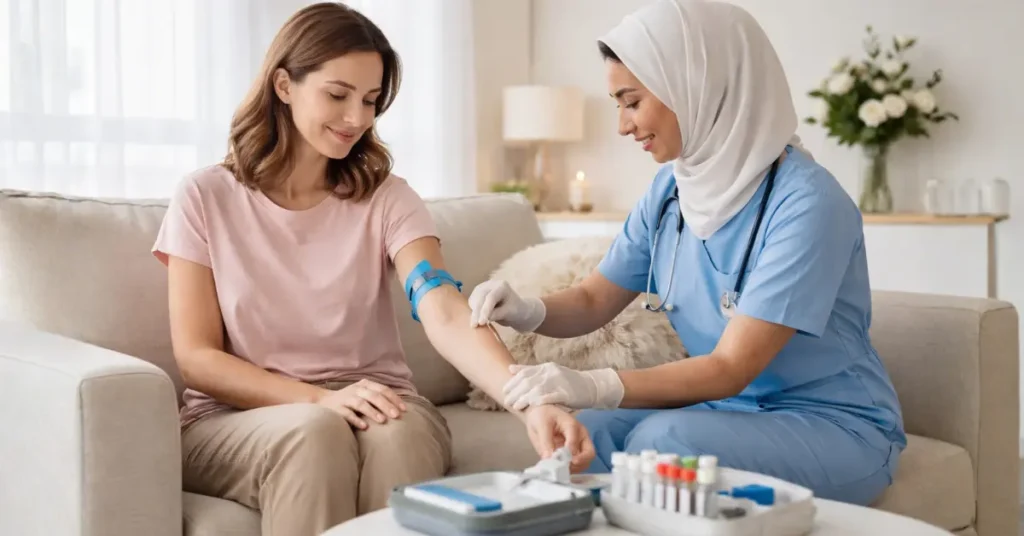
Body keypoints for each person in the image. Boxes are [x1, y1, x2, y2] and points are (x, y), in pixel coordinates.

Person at [152, 3, 593, 535]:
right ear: (285, 85)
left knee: (399, 434)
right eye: (338, 95)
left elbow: (445, 313)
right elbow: (197, 359)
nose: (357, 118)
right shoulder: (205, 197)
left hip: (381, 399)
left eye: (370, 100)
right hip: (234, 419)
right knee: (313, 432)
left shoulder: (389, 199)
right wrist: (320, 399)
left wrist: (529, 403)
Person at [468, 0, 906, 506]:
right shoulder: (672, 191)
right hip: (725, 411)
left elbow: (730, 368)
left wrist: (590, 382)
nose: (622, 126)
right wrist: (528, 311)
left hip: (837, 426)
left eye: (631, 101)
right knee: (590, 434)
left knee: (664, 445)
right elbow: (593, 300)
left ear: (693, 84)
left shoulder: (809, 205)